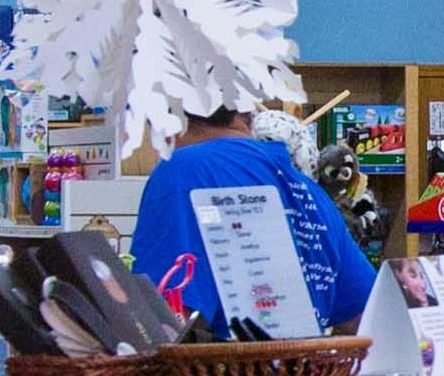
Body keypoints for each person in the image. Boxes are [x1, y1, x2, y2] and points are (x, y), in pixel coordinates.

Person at [128, 103, 373, 337]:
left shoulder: (181, 172)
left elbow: (159, 325)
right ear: (245, 110)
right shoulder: (309, 191)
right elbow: (371, 321)